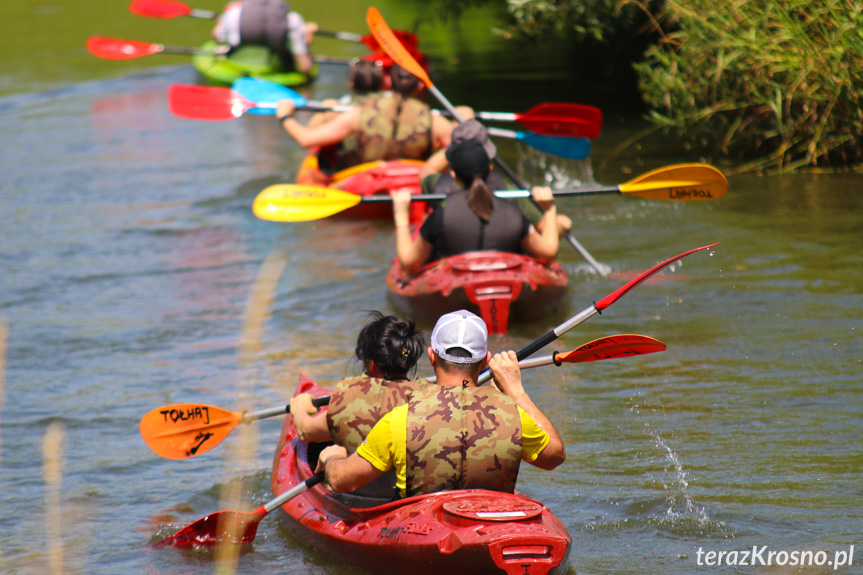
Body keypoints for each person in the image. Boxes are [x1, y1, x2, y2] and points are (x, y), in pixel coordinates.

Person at [314, 310, 566, 498]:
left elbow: (342, 481)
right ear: (486, 361)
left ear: (431, 356)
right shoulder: (512, 414)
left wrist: (332, 458)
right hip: (492, 523)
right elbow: (555, 457)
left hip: (422, 529)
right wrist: (516, 390)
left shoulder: (401, 419)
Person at [391, 140, 561, 275]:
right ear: (490, 170)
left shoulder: (440, 217)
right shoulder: (513, 212)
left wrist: (401, 215)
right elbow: (548, 254)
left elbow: (409, 264)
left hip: (456, 284)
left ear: (453, 176)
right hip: (506, 277)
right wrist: (549, 208)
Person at [289, 312, 427, 453]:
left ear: (372, 365)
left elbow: (305, 431)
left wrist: (299, 409)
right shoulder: (428, 394)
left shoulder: (352, 397)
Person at [275, 64, 454, 165]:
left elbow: (306, 139)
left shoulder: (358, 115)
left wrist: (285, 117)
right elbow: (458, 147)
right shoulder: (434, 120)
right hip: (415, 178)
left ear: (389, 82)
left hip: (368, 177)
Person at [211, 0, 317, 74]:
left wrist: (221, 23)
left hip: (236, 69)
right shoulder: (293, 19)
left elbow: (217, 37)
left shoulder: (232, 12)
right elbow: (305, 67)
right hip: (276, 74)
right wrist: (307, 36)